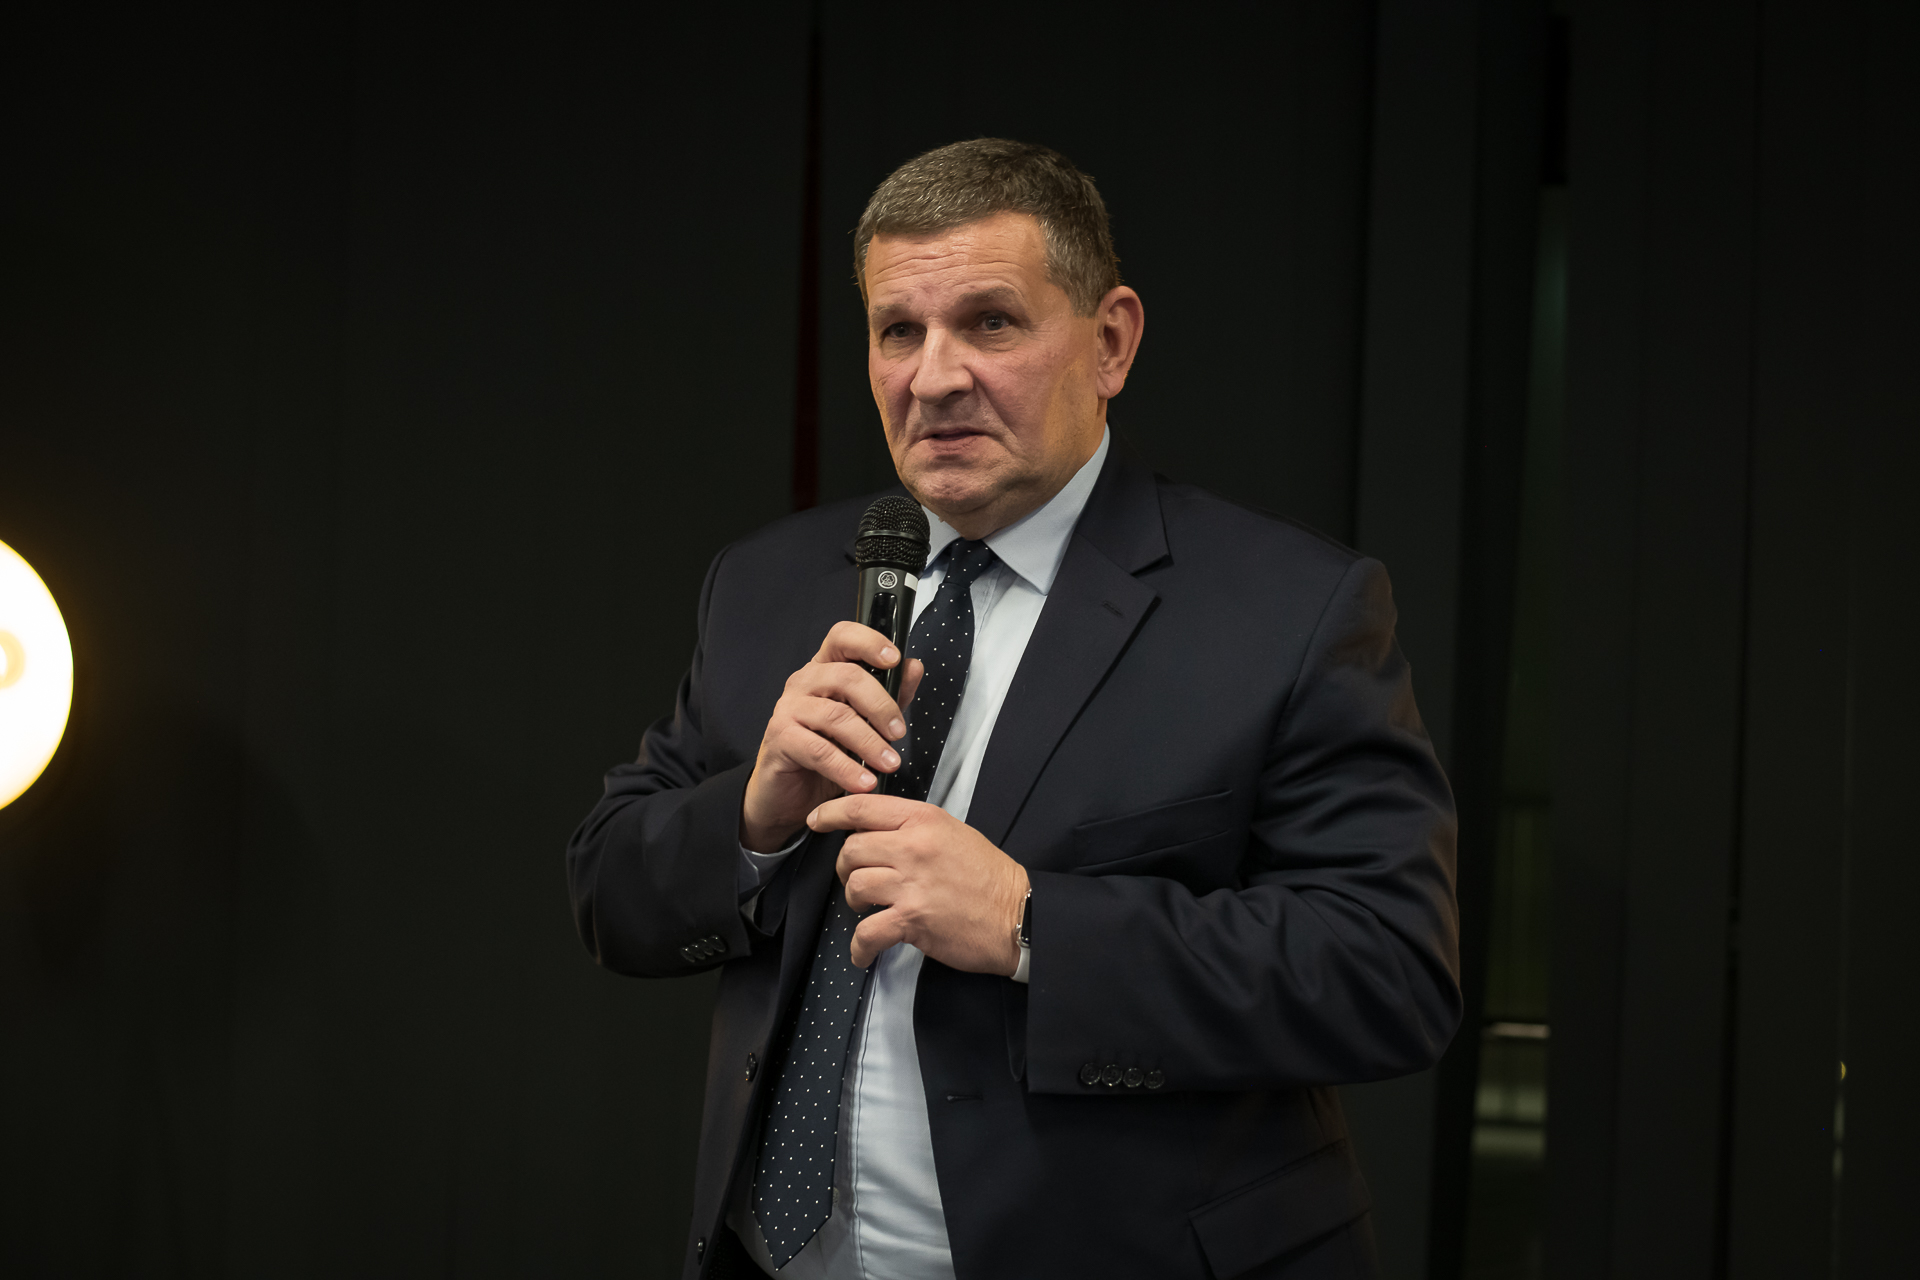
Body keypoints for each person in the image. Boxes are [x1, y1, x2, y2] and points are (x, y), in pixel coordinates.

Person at [567, 138, 1460, 1280]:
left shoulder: (1289, 608)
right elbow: (610, 890)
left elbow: (1389, 972)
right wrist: (753, 817)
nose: (934, 377)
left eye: (990, 322)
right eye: (899, 330)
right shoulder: (766, 584)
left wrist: (1032, 922)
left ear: (1111, 341)